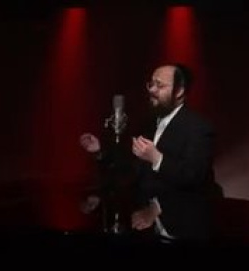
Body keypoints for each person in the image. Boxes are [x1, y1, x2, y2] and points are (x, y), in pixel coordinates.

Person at [79, 63, 221, 240]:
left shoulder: (198, 127)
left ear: (179, 91)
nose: (152, 90)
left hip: (181, 231)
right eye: (151, 84)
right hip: (145, 227)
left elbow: (194, 176)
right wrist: (99, 151)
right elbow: (131, 168)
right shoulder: (147, 123)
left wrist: (157, 159)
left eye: (160, 85)